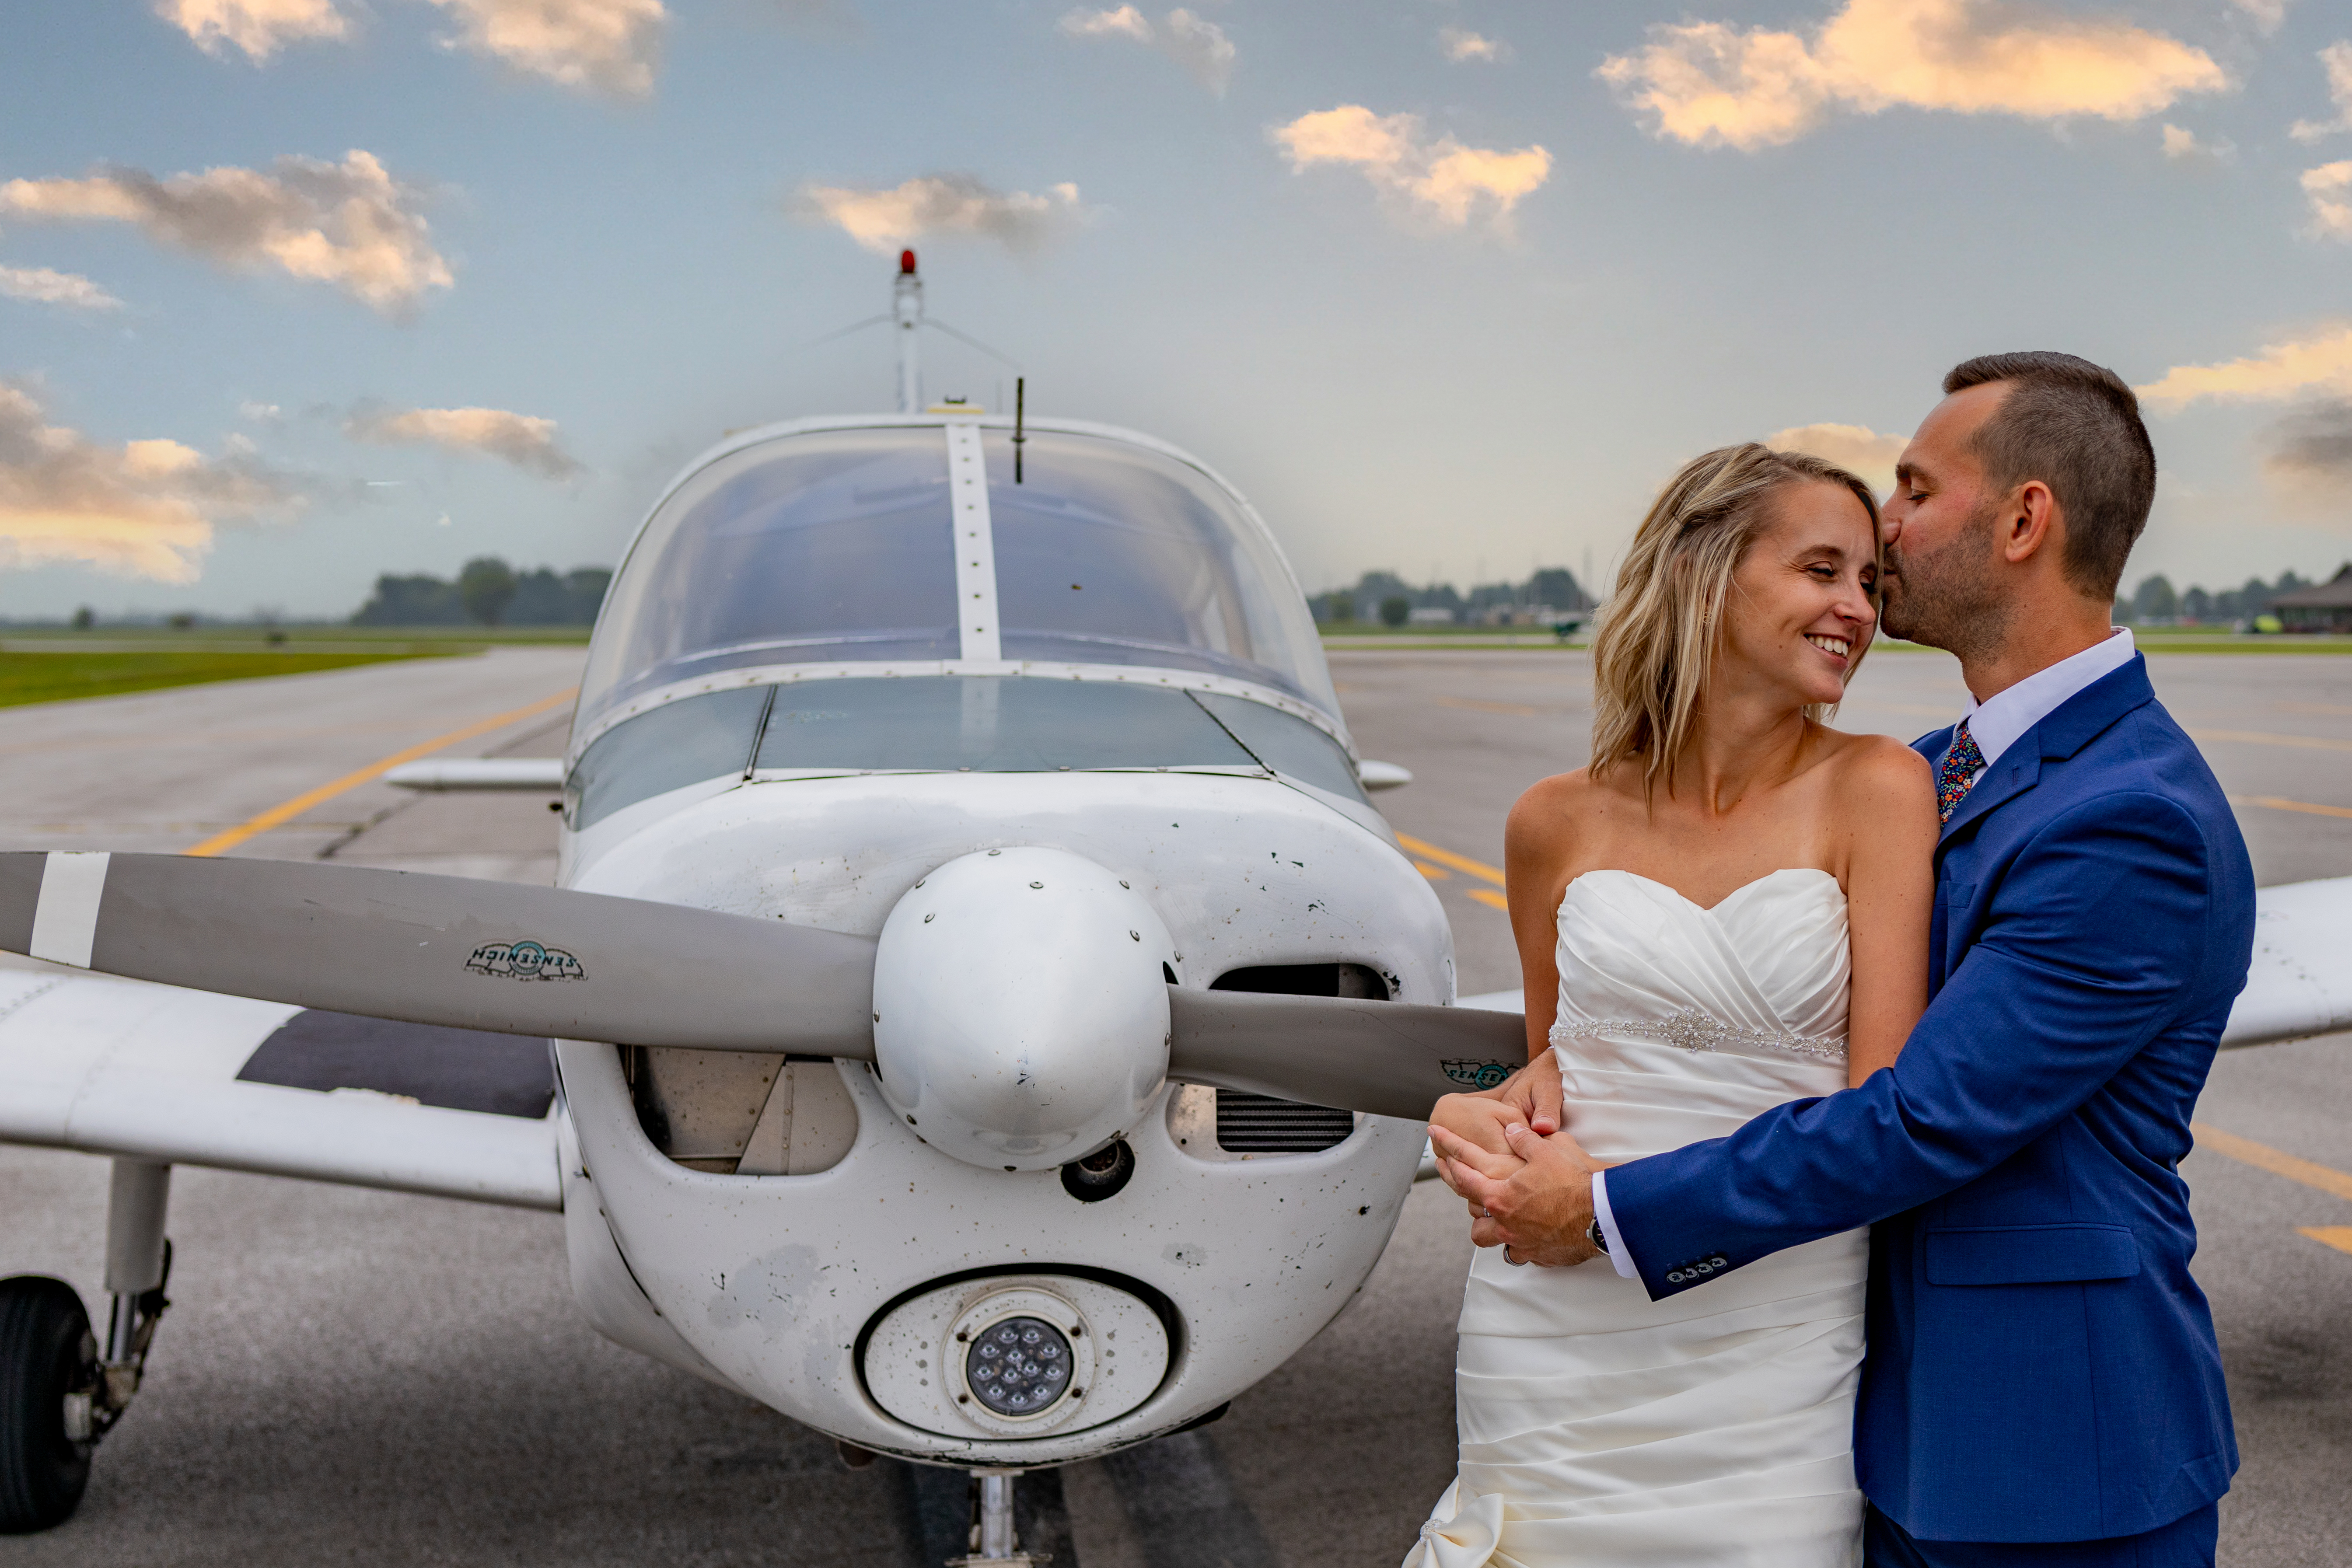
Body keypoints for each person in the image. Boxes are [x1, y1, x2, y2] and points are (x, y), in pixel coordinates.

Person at [1430, 352, 2256, 1568]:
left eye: (1915, 492)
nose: (1884, 529)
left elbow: (1921, 1118)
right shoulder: (1928, 768)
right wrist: (1536, 1082)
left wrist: (1602, 1209)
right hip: (1849, 1405)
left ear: (2025, 519)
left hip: (2045, 1447)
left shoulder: (2131, 818)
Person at [1408, 438, 1940, 1566]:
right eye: (1823, 570)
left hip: (1771, 1337)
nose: (1859, 609)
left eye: (1870, 585)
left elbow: (1882, 1117)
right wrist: (1479, 1121)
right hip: (1544, 1328)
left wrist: (1609, 1207)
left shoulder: (1880, 789)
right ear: (1707, 571)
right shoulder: (1552, 820)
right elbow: (1553, 1063)